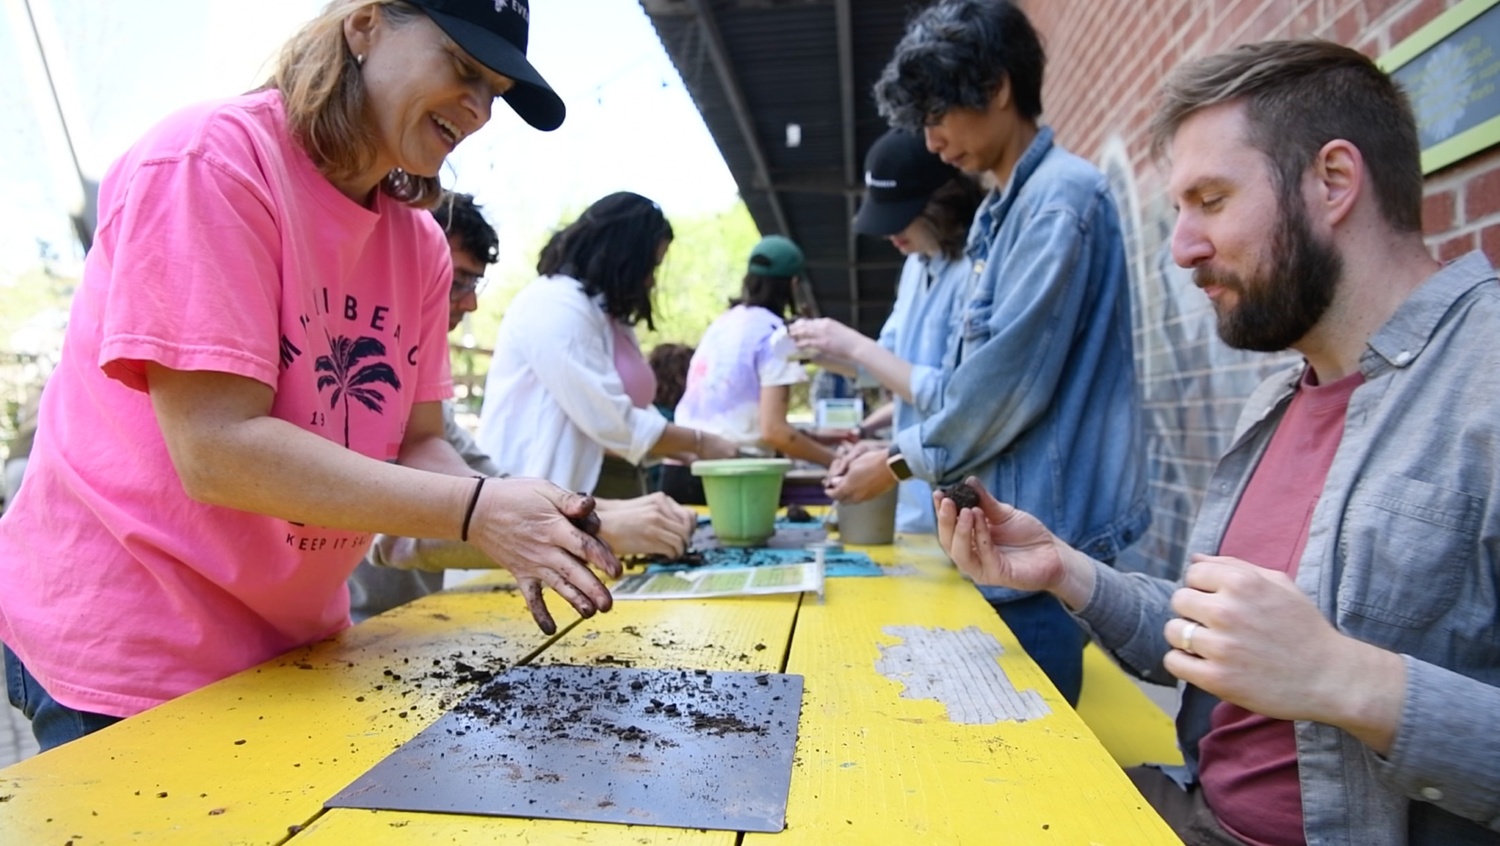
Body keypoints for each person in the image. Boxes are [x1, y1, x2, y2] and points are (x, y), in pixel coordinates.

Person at [0, 0, 624, 753]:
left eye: (493, 91)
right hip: (136, 645)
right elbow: (216, 449)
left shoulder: (421, 247)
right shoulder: (212, 161)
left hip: (298, 645)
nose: (480, 109)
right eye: (463, 68)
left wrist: (517, 527)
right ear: (364, 25)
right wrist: (478, 511)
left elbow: (417, 442)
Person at [938, 39, 1500, 846]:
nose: (1182, 248)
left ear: (1334, 182)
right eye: (1178, 211)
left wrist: (1348, 680)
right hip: (1196, 809)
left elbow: (1300, 662)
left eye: (1211, 199)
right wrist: (1064, 570)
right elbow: (1223, 645)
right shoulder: (1275, 401)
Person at [850, 0, 1149, 704]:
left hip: (1042, 544)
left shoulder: (1057, 202)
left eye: (938, 115)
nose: (931, 142)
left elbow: (1002, 386)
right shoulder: (998, 211)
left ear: (997, 88)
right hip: (1003, 540)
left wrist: (896, 463)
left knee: (1021, 764)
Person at [348, 192, 697, 622]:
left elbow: (489, 483)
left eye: (470, 284)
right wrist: (598, 527)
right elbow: (393, 536)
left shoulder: (424, 403)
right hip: (358, 626)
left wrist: (603, 513)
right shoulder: (352, 376)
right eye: (456, 280)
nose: (471, 303)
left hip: (415, 622)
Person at [475, 192, 737, 498]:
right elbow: (608, 418)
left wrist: (682, 450)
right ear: (622, 257)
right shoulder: (554, 305)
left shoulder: (605, 315)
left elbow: (631, 411)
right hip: (542, 495)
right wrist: (699, 442)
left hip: (612, 489)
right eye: (650, 266)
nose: (651, 281)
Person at [788, 127, 983, 533]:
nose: (891, 235)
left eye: (901, 219)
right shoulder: (914, 267)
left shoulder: (974, 273)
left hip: (964, 501)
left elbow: (951, 394)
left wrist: (853, 344)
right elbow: (885, 360)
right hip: (913, 503)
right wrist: (813, 350)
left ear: (939, 206)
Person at [663, 236, 846, 505]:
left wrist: (813, 438)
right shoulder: (774, 336)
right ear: (794, 284)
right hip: (733, 476)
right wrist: (837, 461)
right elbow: (774, 431)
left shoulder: (722, 324)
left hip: (678, 469)